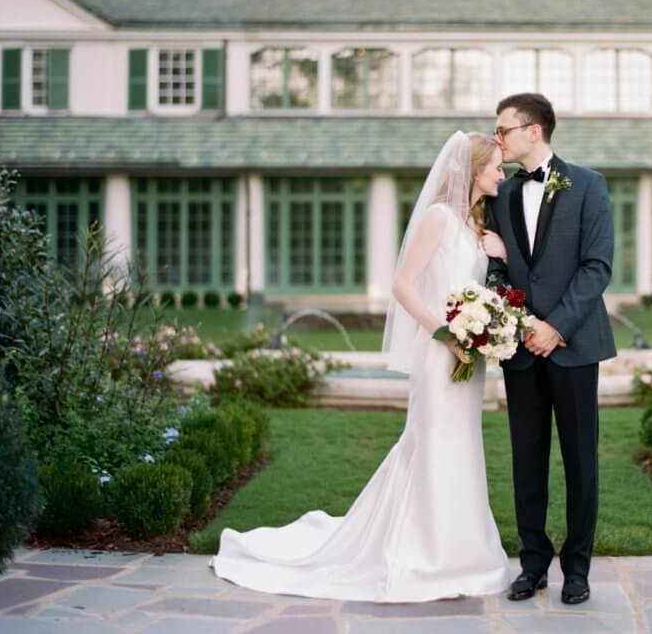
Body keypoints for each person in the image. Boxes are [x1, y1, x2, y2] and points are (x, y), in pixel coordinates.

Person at [211, 131, 511, 603]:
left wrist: (498, 264)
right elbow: (403, 285)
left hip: (468, 360)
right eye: (496, 166)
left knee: (463, 448)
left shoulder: (475, 225)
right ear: (474, 170)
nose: (501, 173)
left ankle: (462, 552)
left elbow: (479, 287)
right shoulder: (436, 218)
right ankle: (424, 556)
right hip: (441, 355)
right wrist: (446, 334)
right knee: (434, 447)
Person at [481, 92, 616, 605]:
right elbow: (502, 272)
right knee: (527, 459)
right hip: (519, 348)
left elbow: (597, 266)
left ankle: (577, 570)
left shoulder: (588, 185)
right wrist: (517, 316)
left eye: (504, 130)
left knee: (582, 462)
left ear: (533, 130)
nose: (499, 139)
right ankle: (532, 564)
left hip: (575, 346)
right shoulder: (501, 194)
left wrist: (555, 327)